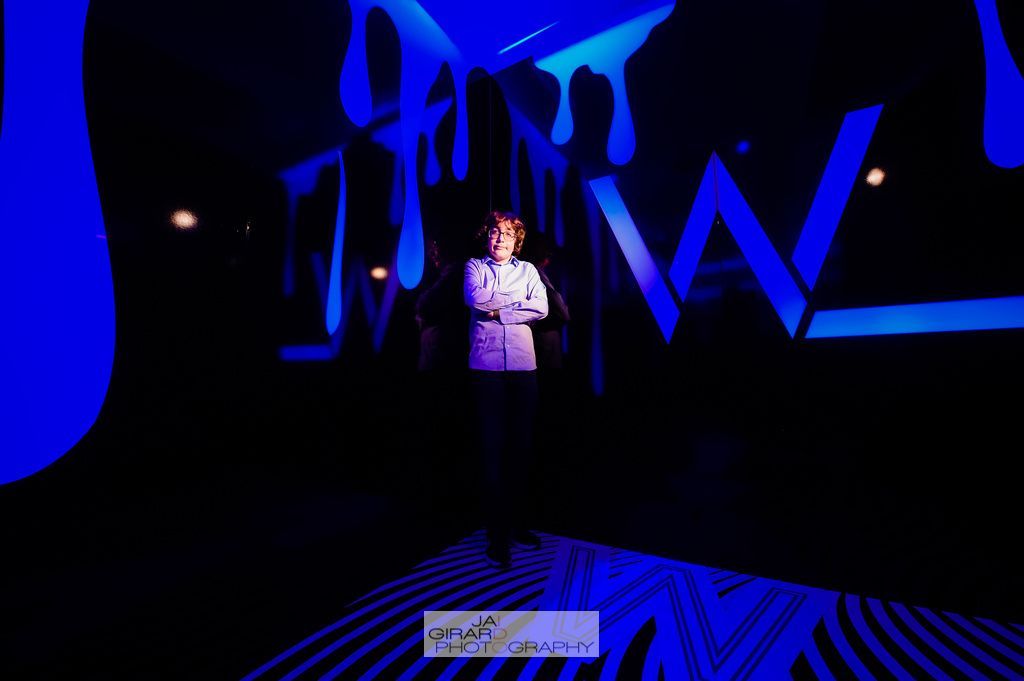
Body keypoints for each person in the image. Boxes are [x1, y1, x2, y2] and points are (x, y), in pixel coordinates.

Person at [464, 211, 548, 568]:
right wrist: (516, 304)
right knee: (492, 453)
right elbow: (474, 299)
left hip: (523, 370)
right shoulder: (473, 266)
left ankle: (518, 525)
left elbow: (541, 308)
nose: (500, 238)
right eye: (495, 232)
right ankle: (496, 536)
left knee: (521, 450)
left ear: (517, 240)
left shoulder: (528, 270)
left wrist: (499, 311)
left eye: (508, 234)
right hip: (486, 371)